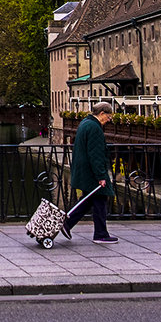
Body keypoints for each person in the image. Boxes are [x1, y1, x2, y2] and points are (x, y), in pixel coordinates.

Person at [62, 101, 118, 243]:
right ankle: (100, 234)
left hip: (83, 169)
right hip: (91, 171)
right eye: (108, 117)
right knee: (100, 199)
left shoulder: (85, 123)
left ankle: (67, 224)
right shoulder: (94, 128)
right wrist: (101, 175)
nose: (109, 120)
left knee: (88, 200)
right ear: (102, 114)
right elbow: (96, 154)